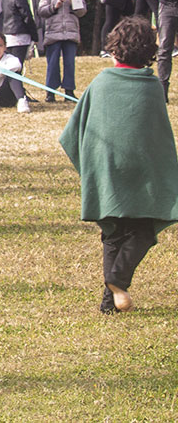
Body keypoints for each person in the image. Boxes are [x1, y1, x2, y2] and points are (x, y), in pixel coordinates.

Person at [59, 16, 178, 313]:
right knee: (143, 229)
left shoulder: (101, 82)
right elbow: (160, 140)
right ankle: (115, 281)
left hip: (108, 169)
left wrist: (92, 164)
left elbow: (74, 132)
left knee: (113, 233)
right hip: (142, 175)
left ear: (114, 50)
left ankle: (109, 301)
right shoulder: (152, 86)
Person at [38, 0, 86, 102]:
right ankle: (50, 92)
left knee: (69, 62)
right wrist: (54, 6)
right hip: (54, 33)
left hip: (70, 33)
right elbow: (41, 10)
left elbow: (82, 11)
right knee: (52, 63)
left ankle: (69, 91)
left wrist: (74, 4)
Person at [0, 0, 38, 66]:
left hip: (8, 33)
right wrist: (35, 36)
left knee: (8, 66)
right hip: (20, 35)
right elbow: (27, 16)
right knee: (17, 67)